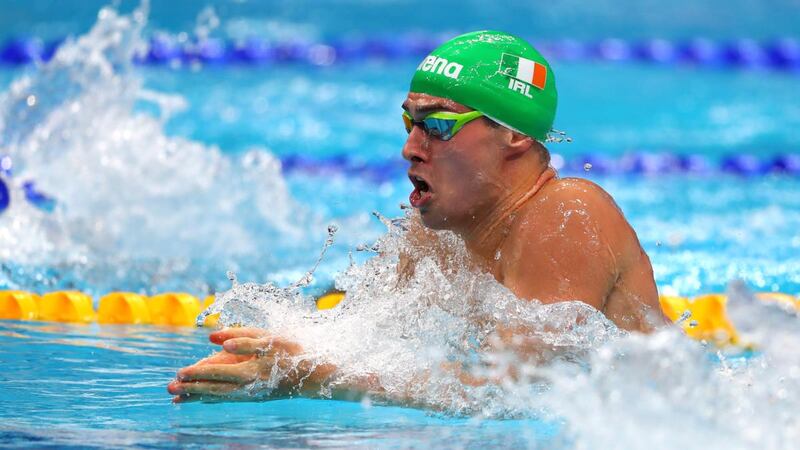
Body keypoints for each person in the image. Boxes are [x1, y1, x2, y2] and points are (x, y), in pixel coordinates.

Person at [167, 30, 668, 403]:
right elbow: (360, 338)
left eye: (438, 126)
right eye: (410, 122)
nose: (410, 148)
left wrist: (314, 375)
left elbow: (519, 397)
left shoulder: (568, 215)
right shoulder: (437, 236)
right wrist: (271, 357)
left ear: (514, 135)